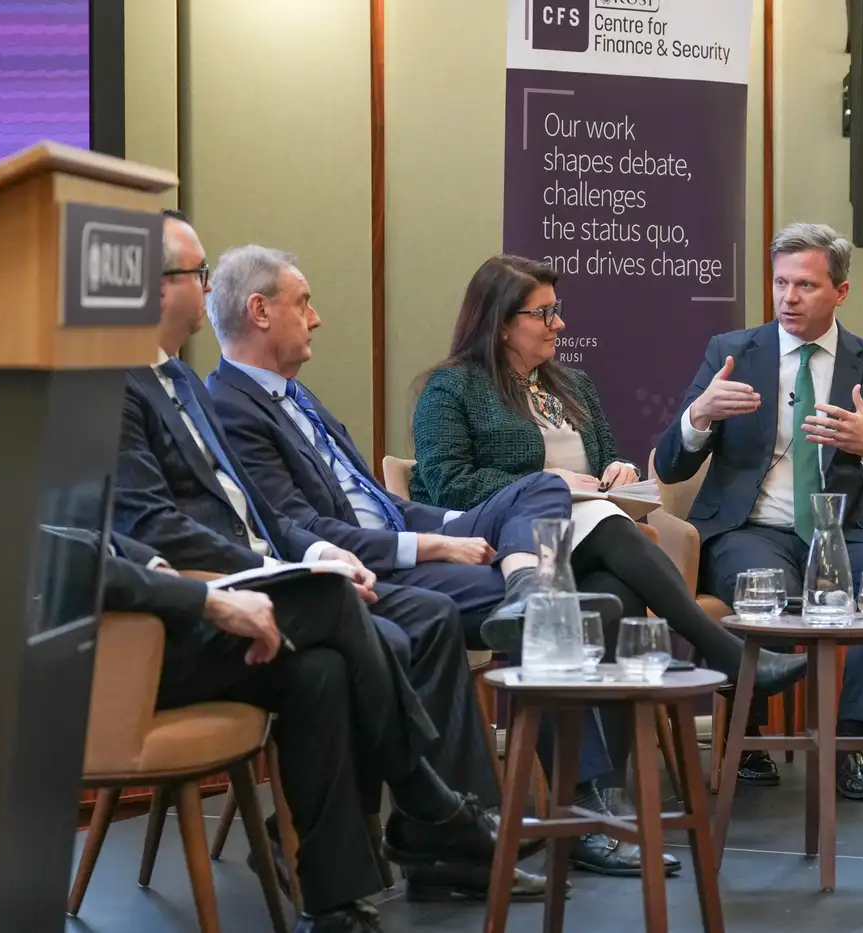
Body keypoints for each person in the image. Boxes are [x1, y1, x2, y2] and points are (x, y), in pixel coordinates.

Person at [199, 242, 649, 877]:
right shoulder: (230, 407)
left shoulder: (298, 398)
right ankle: (536, 815)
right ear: (260, 311)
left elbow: (376, 503)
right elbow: (300, 531)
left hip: (406, 543)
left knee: (543, 491)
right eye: (304, 303)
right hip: (359, 571)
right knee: (549, 607)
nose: (317, 317)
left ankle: (527, 586)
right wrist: (433, 543)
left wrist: (440, 527)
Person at [114, 211, 506, 870]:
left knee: (388, 632)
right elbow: (151, 526)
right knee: (354, 618)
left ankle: (341, 892)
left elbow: (260, 510)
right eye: (198, 273)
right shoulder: (115, 388)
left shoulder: (180, 381)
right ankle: (433, 807)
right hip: (194, 607)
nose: (209, 289)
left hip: (269, 578)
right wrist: (277, 567)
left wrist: (316, 554)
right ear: (153, 287)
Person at [410, 252, 808, 865]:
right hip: (504, 552)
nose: (560, 324)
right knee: (603, 540)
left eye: (558, 310)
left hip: (586, 537)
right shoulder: (452, 388)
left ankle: (604, 802)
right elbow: (446, 485)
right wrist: (547, 485)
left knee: (614, 594)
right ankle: (723, 654)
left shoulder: (572, 385)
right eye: (544, 314)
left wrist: (616, 471)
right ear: (501, 322)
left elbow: (602, 465)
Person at [92, 529, 521, 933]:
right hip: (117, 661)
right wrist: (206, 598)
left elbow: (102, 539)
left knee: (320, 671)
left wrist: (156, 565)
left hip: (158, 615)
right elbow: (74, 556)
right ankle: (430, 805)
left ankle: (332, 908)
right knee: (332, 597)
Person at [655, 221, 863, 802]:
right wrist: (699, 416)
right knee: (764, 585)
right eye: (780, 283)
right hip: (750, 528)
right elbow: (671, 466)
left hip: (844, 529)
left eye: (805, 285)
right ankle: (749, 734)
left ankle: (846, 743)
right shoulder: (731, 353)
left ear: (840, 292)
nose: (788, 298)